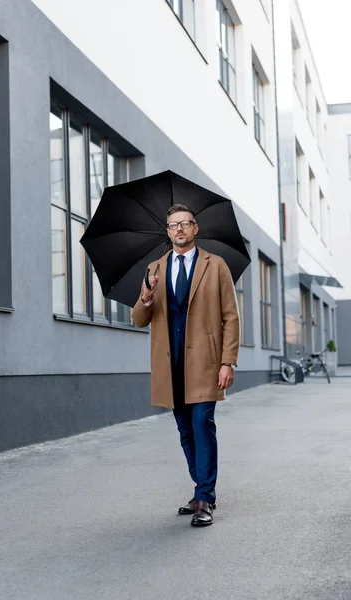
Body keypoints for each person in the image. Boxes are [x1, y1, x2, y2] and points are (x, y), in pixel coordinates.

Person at [132, 203, 240, 527]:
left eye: (185, 223)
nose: (179, 229)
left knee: (202, 426)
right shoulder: (154, 269)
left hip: (206, 364)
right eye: (173, 224)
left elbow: (231, 317)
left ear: (195, 229)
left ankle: (205, 497)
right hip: (171, 365)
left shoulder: (216, 266)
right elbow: (138, 319)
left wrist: (228, 361)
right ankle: (201, 489)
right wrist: (147, 296)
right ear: (167, 232)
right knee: (185, 431)